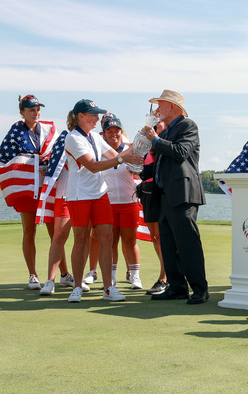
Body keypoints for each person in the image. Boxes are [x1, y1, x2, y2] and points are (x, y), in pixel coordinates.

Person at [63, 99, 142, 303]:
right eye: (93, 114)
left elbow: (117, 156)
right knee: (81, 240)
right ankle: (77, 287)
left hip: (99, 194)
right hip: (79, 195)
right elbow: (94, 166)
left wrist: (141, 141)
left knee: (106, 239)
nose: (97, 118)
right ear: (81, 116)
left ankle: (108, 288)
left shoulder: (95, 138)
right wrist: (123, 159)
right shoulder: (73, 138)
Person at [139, 90, 208, 304]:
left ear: (172, 107)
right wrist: (140, 168)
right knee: (168, 243)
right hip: (166, 193)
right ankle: (177, 287)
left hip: (183, 193)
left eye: (160, 105)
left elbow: (180, 153)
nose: (157, 109)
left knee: (187, 242)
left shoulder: (188, 126)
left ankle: (200, 289)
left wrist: (155, 139)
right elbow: (162, 163)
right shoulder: (168, 131)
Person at [0, 95, 68, 290]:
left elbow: (59, 153)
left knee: (56, 234)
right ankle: (33, 275)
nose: (35, 113)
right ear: (22, 112)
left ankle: (64, 273)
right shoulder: (15, 132)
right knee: (29, 231)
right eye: (31, 110)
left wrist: (47, 164)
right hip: (27, 189)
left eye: (37, 109)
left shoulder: (50, 130)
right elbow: (5, 157)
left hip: (48, 187)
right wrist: (32, 164)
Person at [91, 115, 143, 289]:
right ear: (103, 133)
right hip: (108, 203)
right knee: (110, 241)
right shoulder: (98, 151)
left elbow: (141, 171)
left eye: (117, 131)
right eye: (109, 131)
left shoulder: (131, 149)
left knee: (130, 241)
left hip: (129, 201)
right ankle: (111, 276)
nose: (114, 134)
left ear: (121, 132)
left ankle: (134, 276)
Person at [38, 128, 76, 295]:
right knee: (58, 237)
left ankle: (79, 281)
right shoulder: (63, 141)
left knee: (84, 238)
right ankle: (50, 281)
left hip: (86, 196)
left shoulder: (93, 140)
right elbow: (53, 165)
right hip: (64, 195)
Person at [138, 120, 168, 295]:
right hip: (147, 190)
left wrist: (156, 138)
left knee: (162, 237)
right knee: (155, 237)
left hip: (161, 191)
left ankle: (164, 277)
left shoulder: (163, 140)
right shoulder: (148, 141)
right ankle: (166, 275)